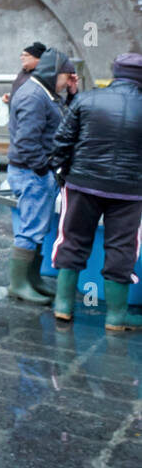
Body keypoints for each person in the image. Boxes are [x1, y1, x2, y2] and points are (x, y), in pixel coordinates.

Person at [47, 53, 142, 330]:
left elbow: (63, 141)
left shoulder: (87, 99)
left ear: (115, 73)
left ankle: (63, 306)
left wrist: (60, 171)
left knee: (72, 239)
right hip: (130, 191)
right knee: (122, 247)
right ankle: (116, 317)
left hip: (82, 183)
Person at [5, 47, 74, 305]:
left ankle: (32, 280)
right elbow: (26, 141)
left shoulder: (45, 93)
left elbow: (61, 121)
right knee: (30, 229)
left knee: (37, 228)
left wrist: (71, 93)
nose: (68, 81)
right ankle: (19, 284)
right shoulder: (34, 95)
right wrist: (43, 170)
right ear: (54, 73)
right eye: (67, 76)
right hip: (31, 173)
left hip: (35, 172)